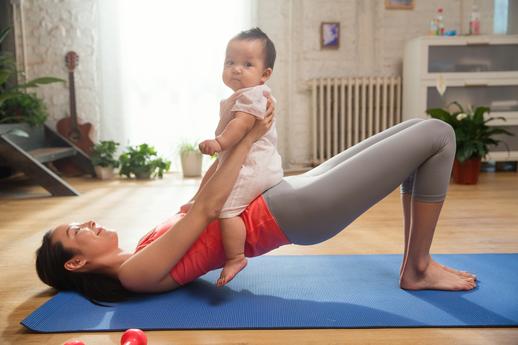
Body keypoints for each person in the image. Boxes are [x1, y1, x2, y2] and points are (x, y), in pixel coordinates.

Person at [36, 114, 477, 303]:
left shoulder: (141, 249)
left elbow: (198, 199)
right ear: (77, 263)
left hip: (283, 194)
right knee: (438, 135)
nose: (90, 223)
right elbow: (208, 209)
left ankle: (416, 265)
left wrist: (228, 138)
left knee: (421, 129)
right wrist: (248, 138)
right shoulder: (134, 275)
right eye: (79, 231)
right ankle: (417, 268)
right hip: (297, 211)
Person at [195, 28, 282, 287]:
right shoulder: (243, 94)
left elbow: (241, 126)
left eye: (247, 64)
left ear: (264, 75)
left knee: (226, 209)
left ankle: (236, 257)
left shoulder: (252, 96)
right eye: (230, 62)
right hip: (245, 161)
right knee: (213, 176)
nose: (236, 69)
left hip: (254, 167)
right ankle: (198, 203)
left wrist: (219, 142)